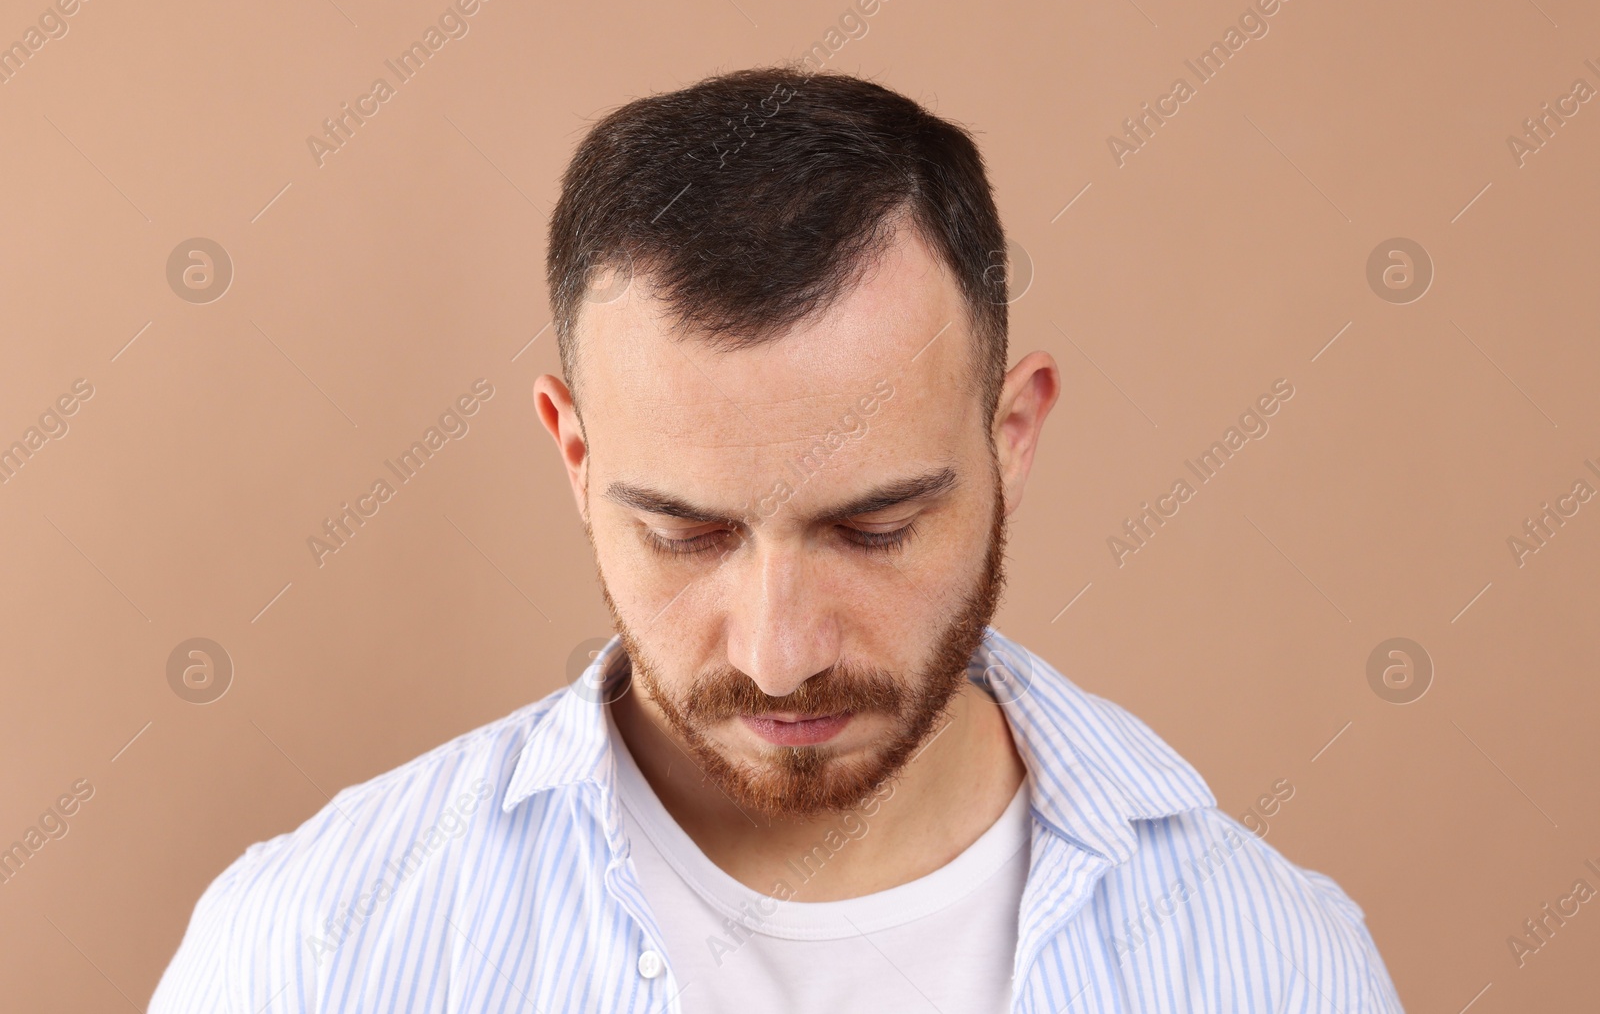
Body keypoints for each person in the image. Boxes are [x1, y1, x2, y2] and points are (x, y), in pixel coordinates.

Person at [150, 67, 1403, 1012]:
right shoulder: (313, 949)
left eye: (874, 527)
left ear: (1011, 432)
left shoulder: (1276, 963)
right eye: (687, 534)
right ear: (574, 456)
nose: (781, 652)